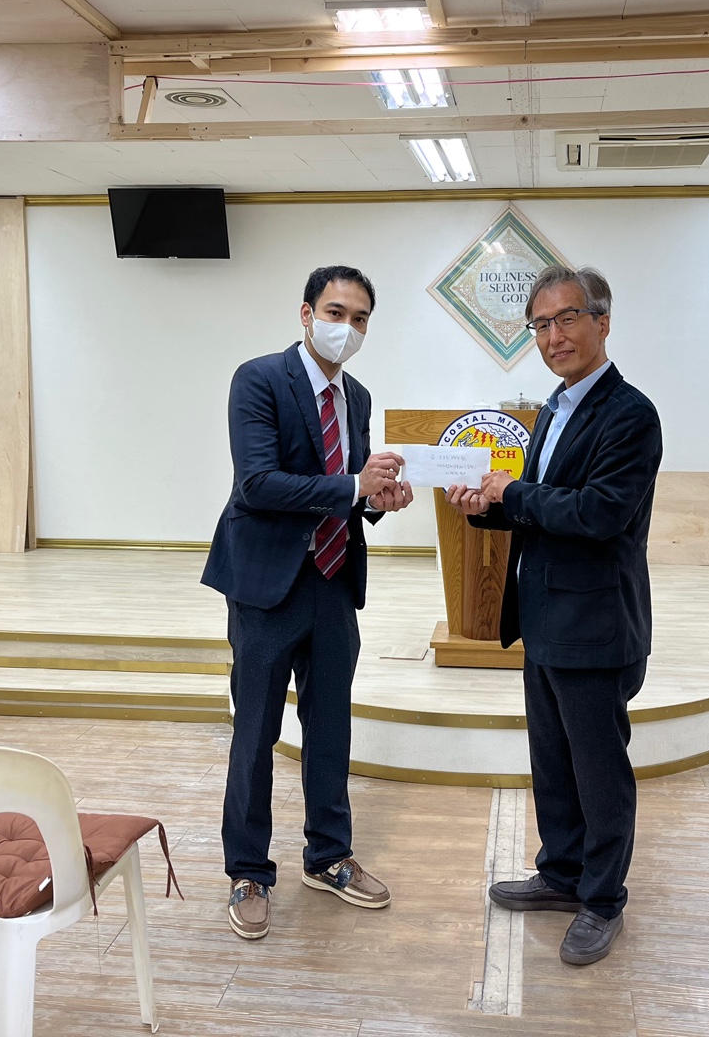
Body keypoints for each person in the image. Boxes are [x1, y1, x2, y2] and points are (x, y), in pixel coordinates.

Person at [446, 265, 662, 966]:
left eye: (568, 318)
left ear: (603, 321)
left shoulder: (630, 414)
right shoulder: (554, 408)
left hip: (596, 626)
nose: (554, 335)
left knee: (599, 773)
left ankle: (602, 900)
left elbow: (600, 514)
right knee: (554, 762)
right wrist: (486, 507)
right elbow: (539, 507)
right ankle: (562, 873)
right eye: (541, 324)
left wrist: (511, 494)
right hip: (545, 619)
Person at [202, 265, 414, 941]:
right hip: (267, 585)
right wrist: (354, 486)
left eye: (360, 319)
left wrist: (378, 500)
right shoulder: (259, 379)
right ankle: (247, 870)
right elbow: (259, 483)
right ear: (306, 314)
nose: (346, 328)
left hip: (332, 581)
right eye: (335, 312)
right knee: (256, 732)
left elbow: (350, 493)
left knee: (330, 727)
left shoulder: (358, 397)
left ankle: (328, 856)